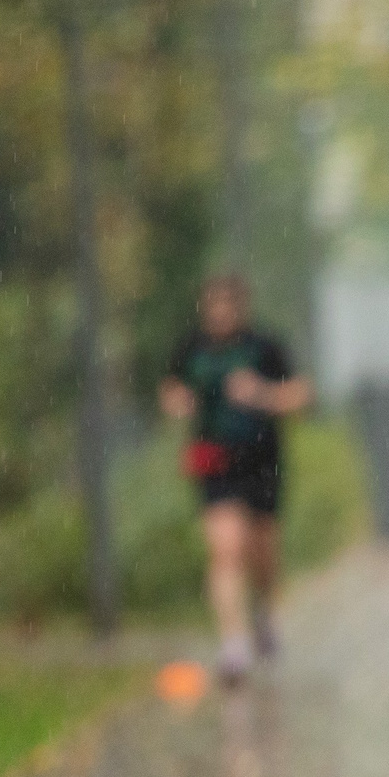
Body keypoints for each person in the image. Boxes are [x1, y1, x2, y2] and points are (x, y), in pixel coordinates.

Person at [161, 273, 313, 685]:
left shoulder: (265, 347)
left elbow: (301, 394)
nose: (219, 313)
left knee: (262, 553)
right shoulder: (191, 347)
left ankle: (263, 613)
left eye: (227, 305)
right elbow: (170, 389)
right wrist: (178, 403)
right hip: (216, 461)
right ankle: (233, 643)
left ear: (241, 307)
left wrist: (261, 394)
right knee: (225, 548)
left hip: (262, 460)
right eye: (212, 305)